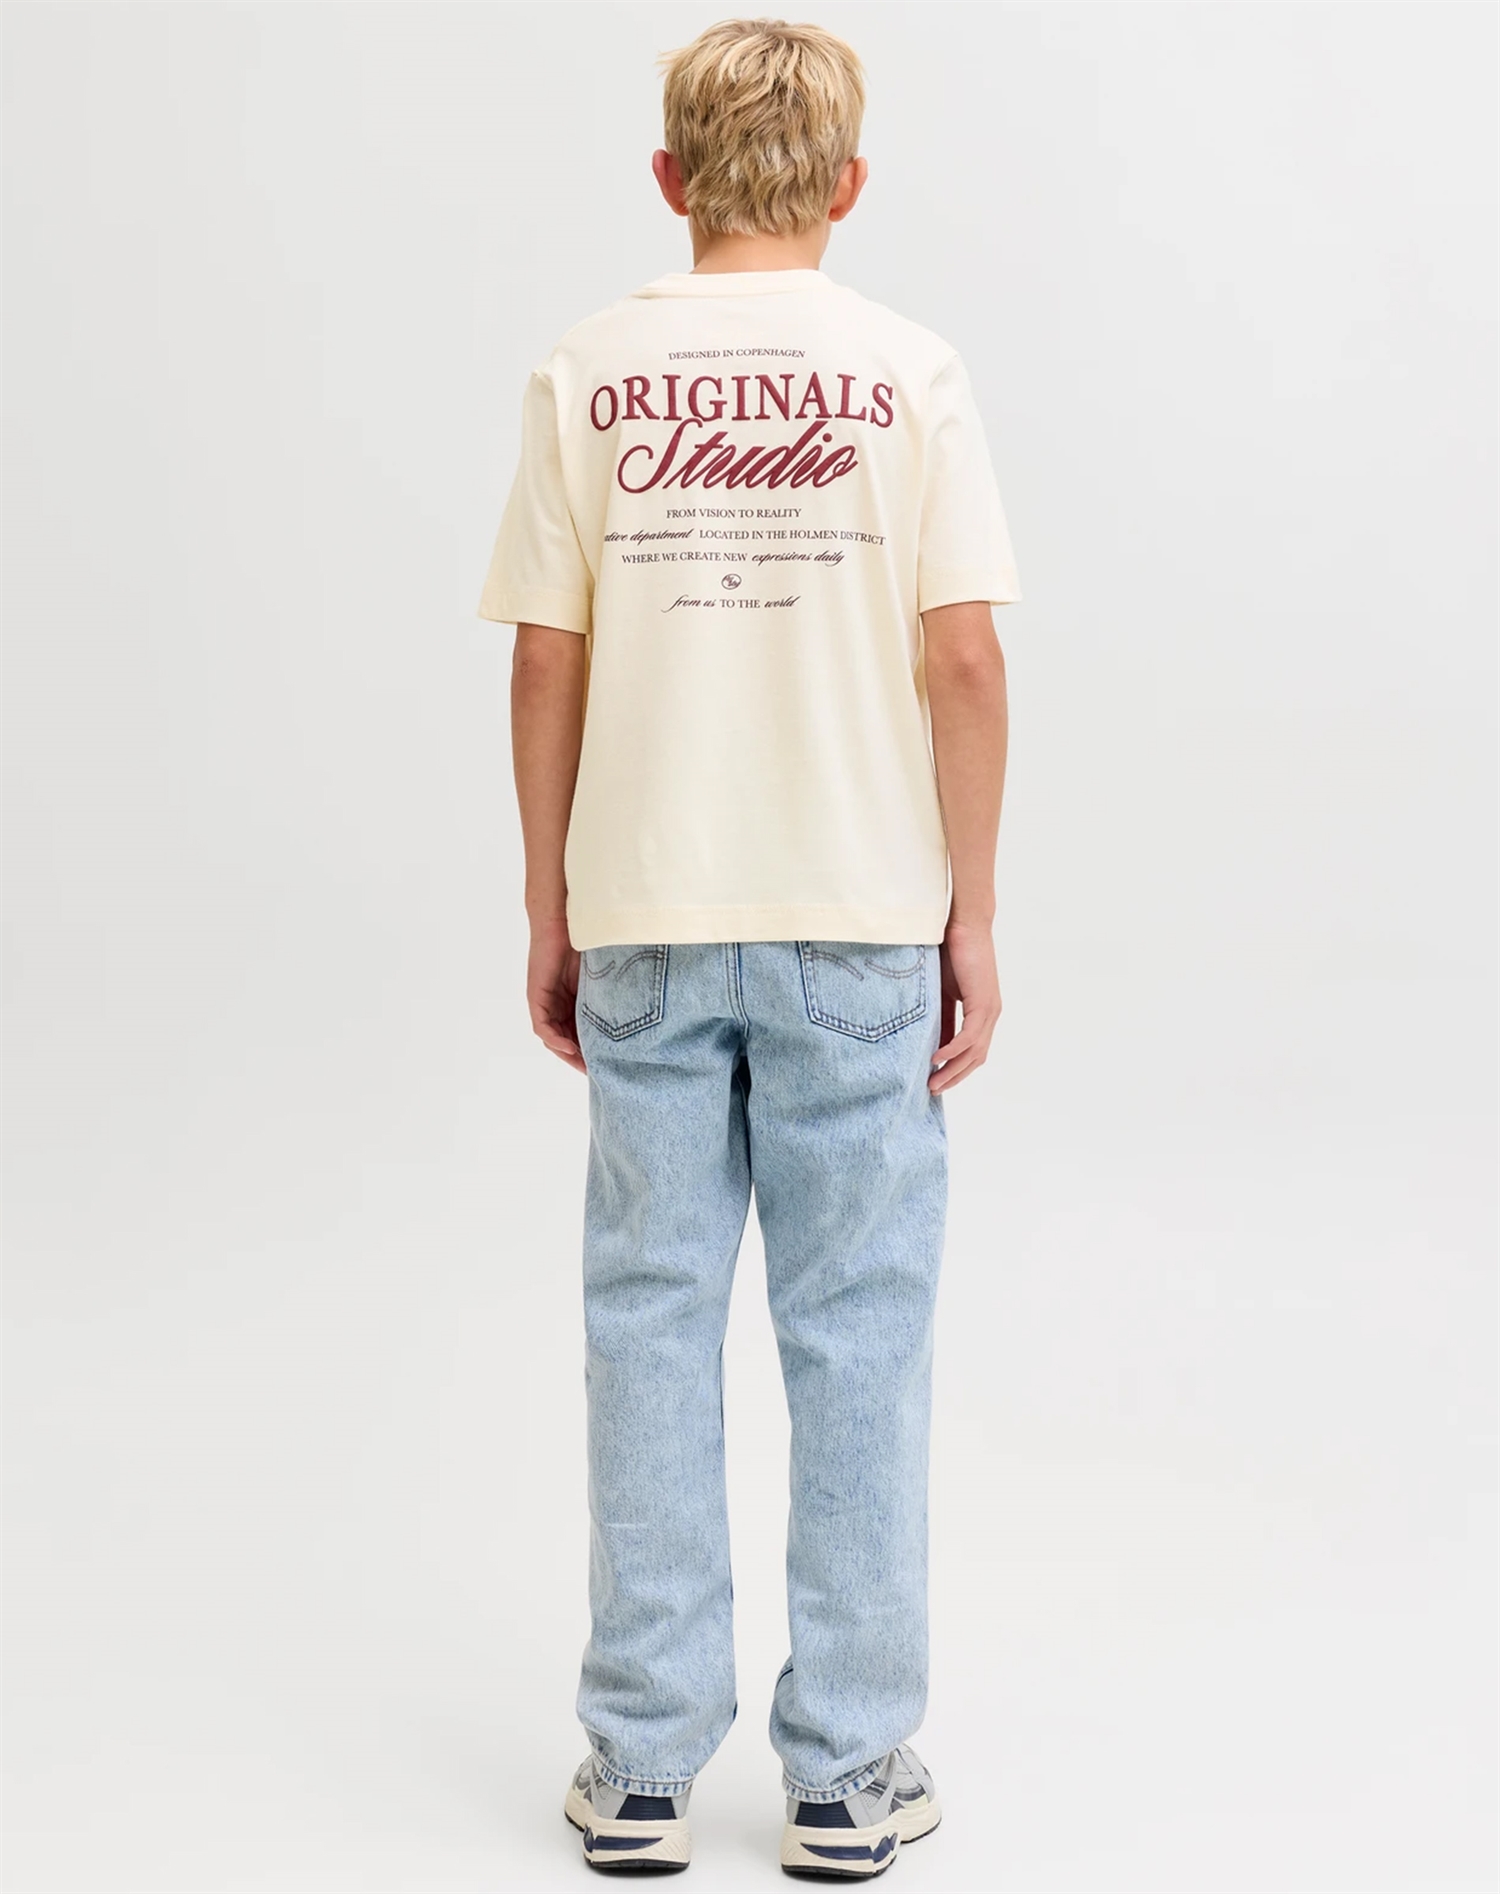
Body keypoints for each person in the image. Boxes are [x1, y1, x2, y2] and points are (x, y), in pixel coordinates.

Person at [477, 16, 1021, 1878]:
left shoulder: (589, 369)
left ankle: (639, 1762)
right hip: (858, 916)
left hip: (647, 904)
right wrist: (974, 908)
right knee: (856, 1329)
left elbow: (544, 658)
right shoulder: (908, 372)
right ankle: (850, 1772)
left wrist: (549, 899)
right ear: (851, 186)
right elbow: (965, 657)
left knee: (648, 1316)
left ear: (669, 181)